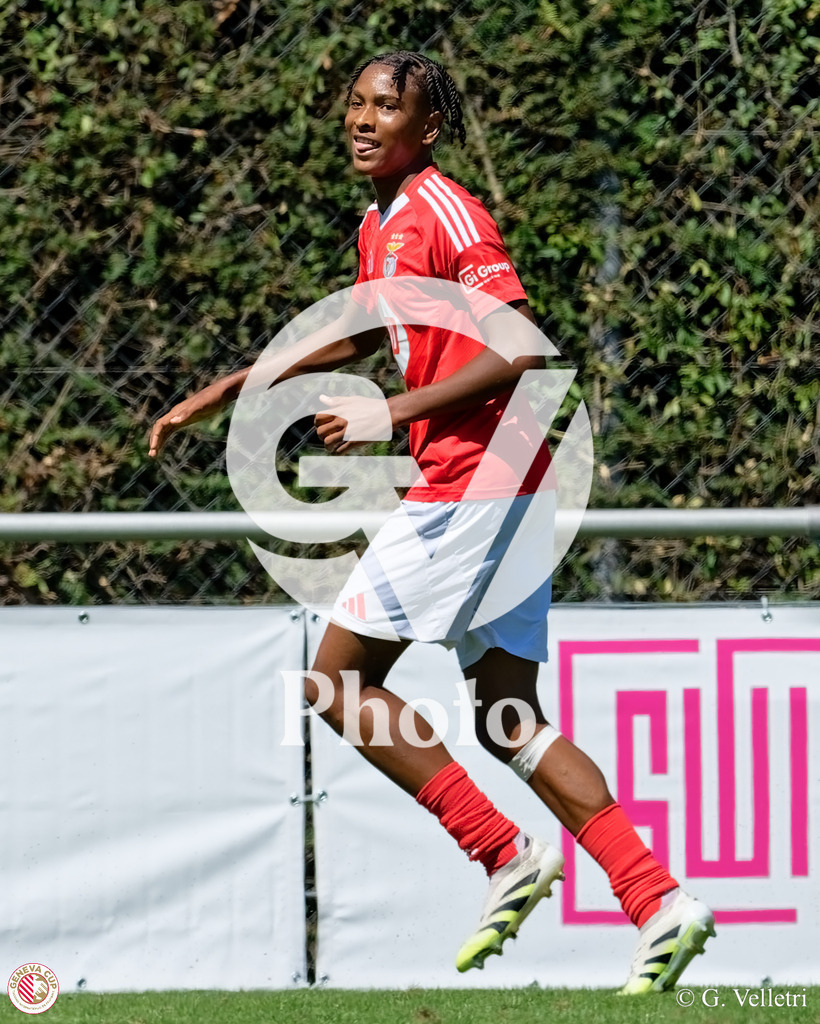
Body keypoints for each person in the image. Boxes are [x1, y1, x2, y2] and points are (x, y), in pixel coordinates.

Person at [149, 50, 715, 993]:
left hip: (479, 480)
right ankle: (660, 901)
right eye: (356, 104)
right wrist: (225, 391)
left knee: (335, 686)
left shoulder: (445, 209)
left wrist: (390, 415)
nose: (364, 120)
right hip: (507, 485)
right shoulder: (382, 223)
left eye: (387, 107)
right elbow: (360, 332)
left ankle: (504, 856)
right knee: (509, 720)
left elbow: (521, 348)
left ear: (429, 128)